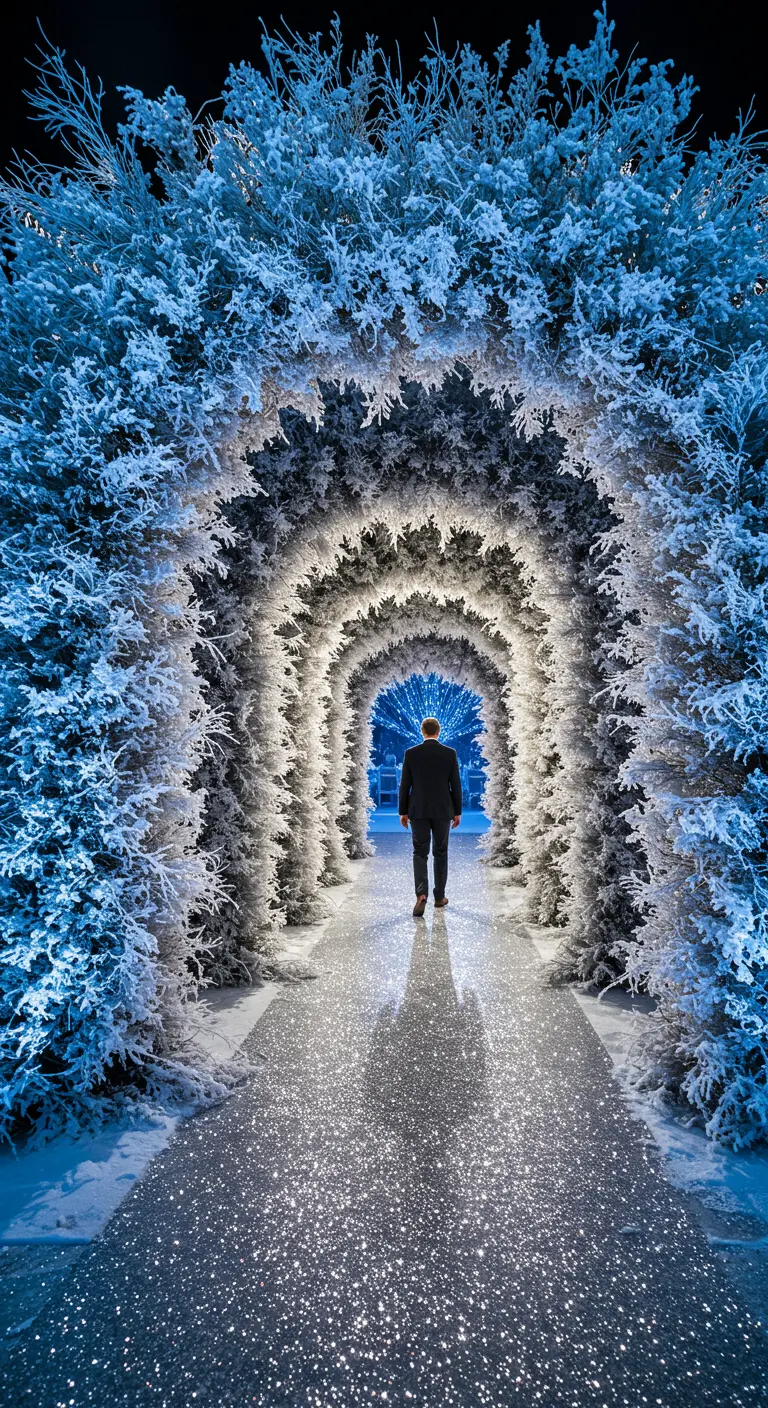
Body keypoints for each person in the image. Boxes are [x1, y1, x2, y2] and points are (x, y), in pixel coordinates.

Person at [398, 717, 462, 917]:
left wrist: (403, 811)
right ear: (439, 731)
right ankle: (439, 897)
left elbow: (405, 785)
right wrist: (457, 811)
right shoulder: (450, 754)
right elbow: (456, 785)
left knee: (420, 853)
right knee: (440, 853)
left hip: (418, 810)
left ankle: (421, 894)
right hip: (443, 810)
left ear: (422, 731)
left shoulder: (411, 753)